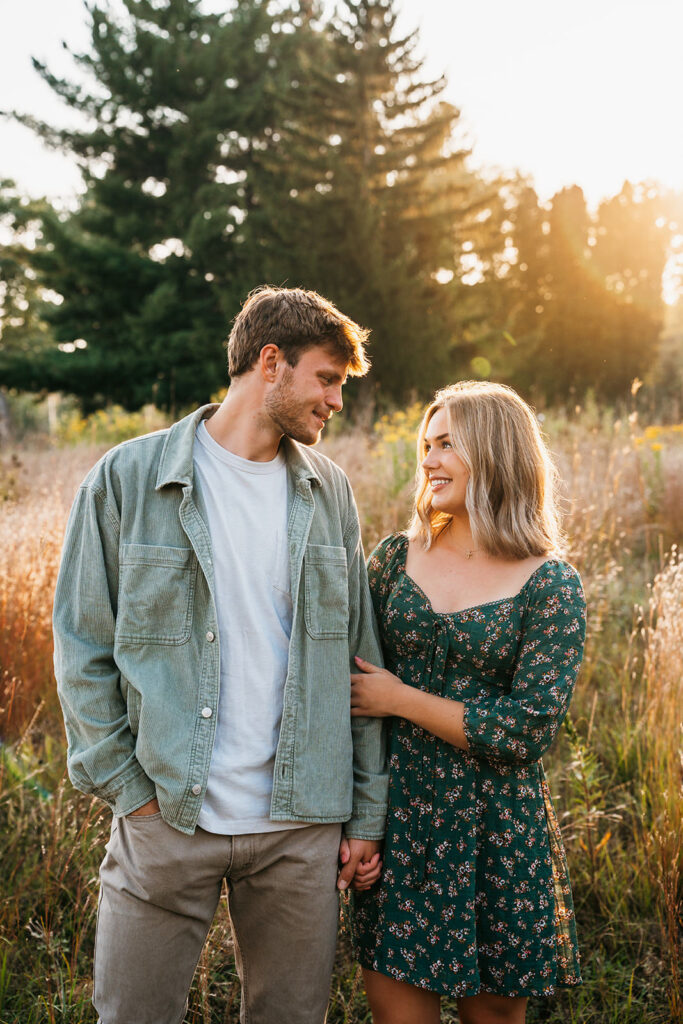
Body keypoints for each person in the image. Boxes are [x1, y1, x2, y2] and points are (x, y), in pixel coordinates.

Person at [53, 285, 387, 1024]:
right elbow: (81, 645)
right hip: (166, 814)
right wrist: (129, 793)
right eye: (327, 379)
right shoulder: (127, 478)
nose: (335, 401)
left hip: (300, 829)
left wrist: (364, 814)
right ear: (270, 361)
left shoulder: (327, 491)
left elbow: (357, 663)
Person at [349, 381, 586, 1024]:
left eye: (448, 443)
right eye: (427, 444)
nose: (428, 459)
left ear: (497, 451)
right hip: (402, 826)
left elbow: (526, 730)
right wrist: (359, 824)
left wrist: (400, 699)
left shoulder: (550, 584)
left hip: (497, 837)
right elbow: (349, 695)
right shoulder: (395, 560)